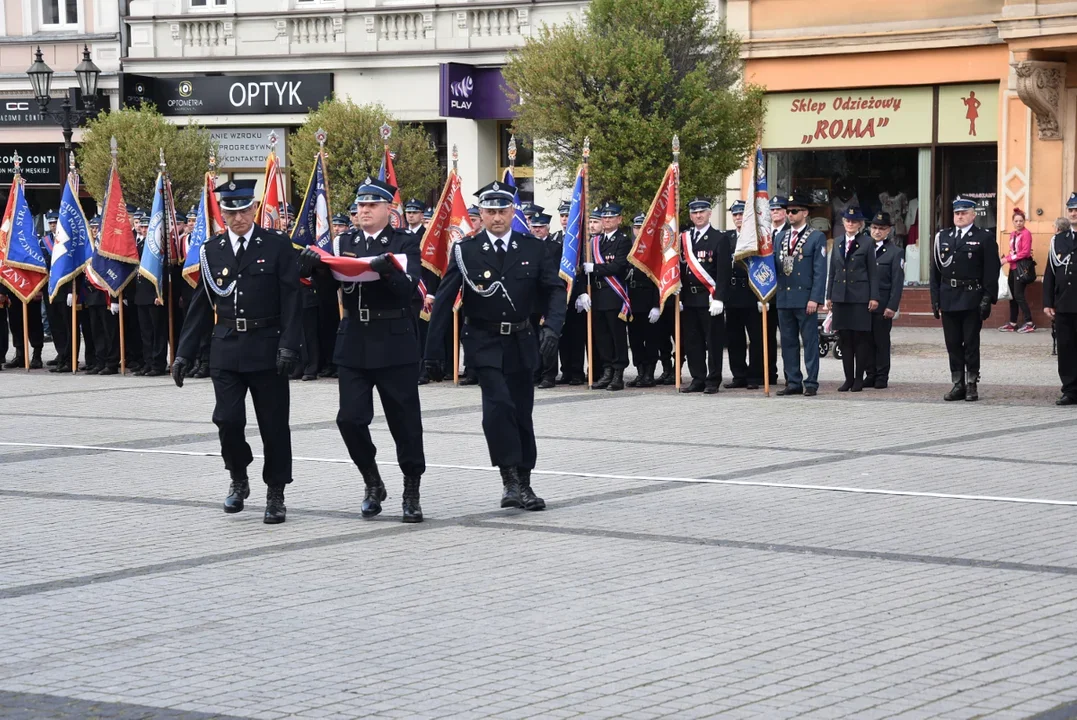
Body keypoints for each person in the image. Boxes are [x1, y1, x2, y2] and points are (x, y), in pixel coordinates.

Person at [424, 180, 566, 510]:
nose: (497, 217)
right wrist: (432, 353)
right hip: (483, 341)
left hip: (521, 340)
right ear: (481, 215)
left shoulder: (533, 248)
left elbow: (554, 290)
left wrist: (553, 329)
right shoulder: (466, 251)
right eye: (490, 212)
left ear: (512, 211)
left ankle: (525, 481)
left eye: (502, 211)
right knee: (497, 407)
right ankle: (509, 479)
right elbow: (445, 299)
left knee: (520, 412)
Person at [172, 179, 302, 524]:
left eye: (244, 210)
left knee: (274, 426)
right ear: (222, 214)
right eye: (231, 211)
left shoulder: (276, 246)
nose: (238, 217)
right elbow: (201, 305)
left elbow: (292, 300)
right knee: (227, 420)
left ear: (254, 208)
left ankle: (275, 492)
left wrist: (289, 345)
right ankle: (238, 475)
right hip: (226, 347)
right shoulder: (211, 250)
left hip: (267, 345)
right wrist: (184, 353)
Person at [299, 177, 427, 522]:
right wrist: (312, 271)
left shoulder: (405, 243)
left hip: (395, 339)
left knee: (405, 422)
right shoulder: (345, 242)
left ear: (389, 209)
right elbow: (328, 293)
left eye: (372, 205)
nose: (364, 211)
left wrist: (387, 271)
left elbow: (408, 290)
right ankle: (372, 481)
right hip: (355, 337)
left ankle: (411, 489)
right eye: (360, 205)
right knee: (349, 419)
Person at [929, 196, 1000, 402]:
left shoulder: (984, 238)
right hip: (949, 297)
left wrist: (988, 297)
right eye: (957, 213)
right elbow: (935, 272)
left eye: (964, 213)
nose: (959, 216)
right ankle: (957, 383)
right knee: (952, 343)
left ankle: (971, 383)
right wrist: (935, 299)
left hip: (971, 297)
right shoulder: (943, 237)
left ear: (973, 215)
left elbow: (991, 271)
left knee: (970, 342)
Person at [776, 193, 827, 397]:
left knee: (810, 341)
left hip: (805, 298)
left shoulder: (816, 236)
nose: (789, 214)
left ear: (805, 213)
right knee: (788, 341)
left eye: (794, 211)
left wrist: (815, 298)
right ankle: (793, 380)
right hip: (784, 297)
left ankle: (811, 381)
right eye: (788, 211)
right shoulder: (781, 236)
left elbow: (819, 270)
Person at [679, 197, 730, 394]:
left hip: (709, 298)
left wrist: (719, 298)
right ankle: (697, 378)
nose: (698, 215)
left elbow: (724, 272)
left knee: (713, 341)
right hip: (689, 300)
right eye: (694, 212)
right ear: (691, 216)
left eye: (702, 212)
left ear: (709, 213)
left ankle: (712, 379)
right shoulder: (685, 238)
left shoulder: (719, 238)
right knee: (692, 341)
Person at [826, 207, 879, 392]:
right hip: (841, 296)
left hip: (860, 296)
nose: (850, 224)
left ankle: (858, 378)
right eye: (847, 221)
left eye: (854, 221)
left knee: (860, 339)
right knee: (844, 339)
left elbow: (873, 272)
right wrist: (829, 295)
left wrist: (874, 296)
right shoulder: (838, 242)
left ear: (860, 224)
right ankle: (847, 378)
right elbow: (832, 271)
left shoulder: (867, 242)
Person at [583, 202, 632, 391]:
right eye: (604, 217)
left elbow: (618, 266)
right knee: (602, 336)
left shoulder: (623, 240)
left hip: (613, 294)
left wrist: (594, 268)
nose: (607, 220)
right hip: (596, 294)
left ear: (619, 219)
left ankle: (618, 372)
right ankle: (607, 370)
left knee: (616, 335)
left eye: (611, 217)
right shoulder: (594, 242)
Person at [1043, 193, 1077, 406]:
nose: (1074, 213)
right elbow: (1050, 273)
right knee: (1065, 348)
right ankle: (1070, 390)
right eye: (1071, 210)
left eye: (1076, 210)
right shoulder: (1059, 240)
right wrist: (1047, 301)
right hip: (1064, 304)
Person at [865, 212, 904, 389]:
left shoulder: (895, 252)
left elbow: (897, 281)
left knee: (881, 341)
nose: (877, 232)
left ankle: (881, 375)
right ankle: (870, 373)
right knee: (866, 341)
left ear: (888, 230)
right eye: (874, 228)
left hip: (883, 303)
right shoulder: (863, 248)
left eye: (881, 228)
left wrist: (892, 306)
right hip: (864, 303)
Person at [133, 215, 169, 377]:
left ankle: (158, 364)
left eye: (148, 227)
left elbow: (162, 271)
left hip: (154, 294)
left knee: (157, 332)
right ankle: (148, 363)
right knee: (145, 332)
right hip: (141, 294)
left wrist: (159, 293)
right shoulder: (139, 244)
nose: (144, 229)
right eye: (143, 227)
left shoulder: (158, 247)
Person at [1000, 208, 1036, 333]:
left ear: (1024, 221)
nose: (1019, 223)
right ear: (1013, 222)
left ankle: (1029, 322)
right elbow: (1013, 251)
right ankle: (1013, 323)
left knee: (1019, 295)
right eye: (1016, 221)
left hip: (1021, 268)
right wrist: (1007, 258)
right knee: (1012, 296)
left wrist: (1007, 259)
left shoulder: (1026, 234)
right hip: (1013, 267)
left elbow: (1025, 253)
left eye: (1021, 221)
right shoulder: (1013, 234)